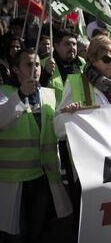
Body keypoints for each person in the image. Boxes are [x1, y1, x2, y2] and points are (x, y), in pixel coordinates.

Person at [0, 48, 72, 241]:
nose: (35, 69)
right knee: (16, 235)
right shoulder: (4, 92)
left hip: (43, 175)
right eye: (29, 65)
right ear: (16, 69)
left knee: (36, 232)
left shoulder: (48, 94)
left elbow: (56, 129)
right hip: (15, 179)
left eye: (37, 64)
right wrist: (21, 95)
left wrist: (68, 114)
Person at [40, 29, 86, 104]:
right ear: (56, 46)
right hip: (53, 114)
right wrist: (46, 75)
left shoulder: (82, 62)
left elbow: (87, 95)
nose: (72, 48)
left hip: (77, 112)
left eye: (74, 44)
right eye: (67, 44)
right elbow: (34, 93)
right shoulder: (43, 64)